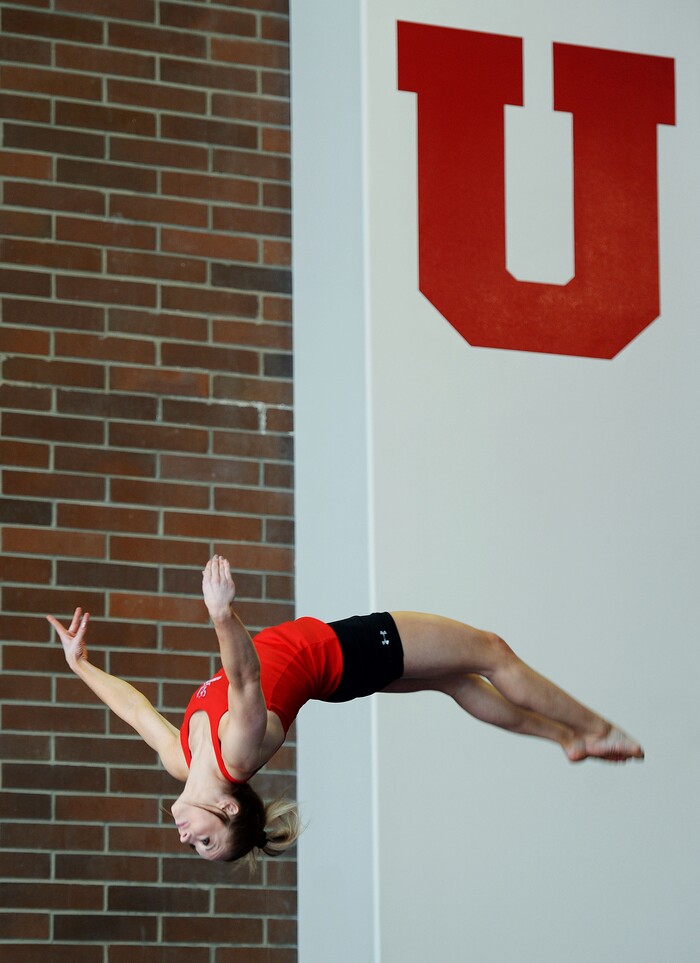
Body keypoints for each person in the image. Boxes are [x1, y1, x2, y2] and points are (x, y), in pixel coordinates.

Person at [48, 555, 643, 867]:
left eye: (198, 847)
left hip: (333, 669)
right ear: (228, 809)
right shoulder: (238, 752)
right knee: (491, 651)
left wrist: (80, 665)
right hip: (344, 652)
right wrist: (222, 615)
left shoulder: (185, 760)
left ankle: (566, 740)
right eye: (206, 844)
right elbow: (246, 674)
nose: (187, 840)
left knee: (458, 684)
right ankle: (591, 729)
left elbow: (135, 709)